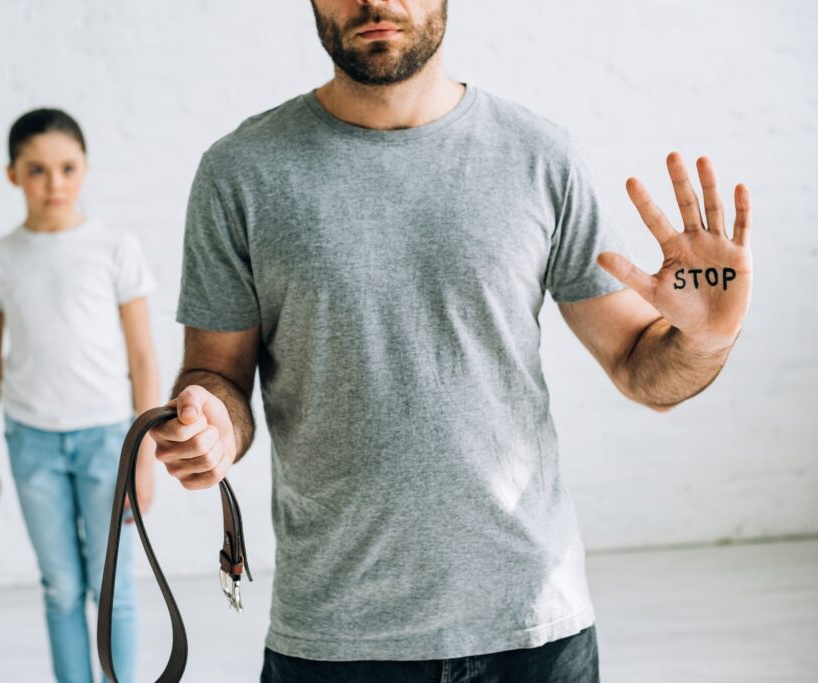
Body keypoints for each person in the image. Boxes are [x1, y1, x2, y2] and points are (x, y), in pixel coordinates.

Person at [149, 1, 753, 681]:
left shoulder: (539, 157)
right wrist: (211, 425)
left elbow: (641, 367)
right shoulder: (241, 172)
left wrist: (706, 337)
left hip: (533, 631)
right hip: (335, 638)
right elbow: (216, 372)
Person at [0, 108, 159, 683]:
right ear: (12, 175)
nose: (54, 184)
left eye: (67, 168)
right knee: (61, 587)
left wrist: (143, 458)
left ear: (86, 169)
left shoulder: (114, 248)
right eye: (37, 171)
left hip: (108, 441)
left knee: (113, 585)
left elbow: (144, 359)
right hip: (33, 445)